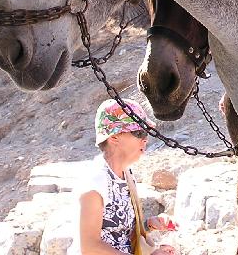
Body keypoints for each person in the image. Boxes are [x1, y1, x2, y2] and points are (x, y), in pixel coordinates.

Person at [69, 98, 176, 255]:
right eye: (138, 133)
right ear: (114, 138)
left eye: (145, 132)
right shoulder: (95, 182)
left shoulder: (125, 174)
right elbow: (89, 247)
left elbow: (119, 232)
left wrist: (149, 225)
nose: (145, 139)